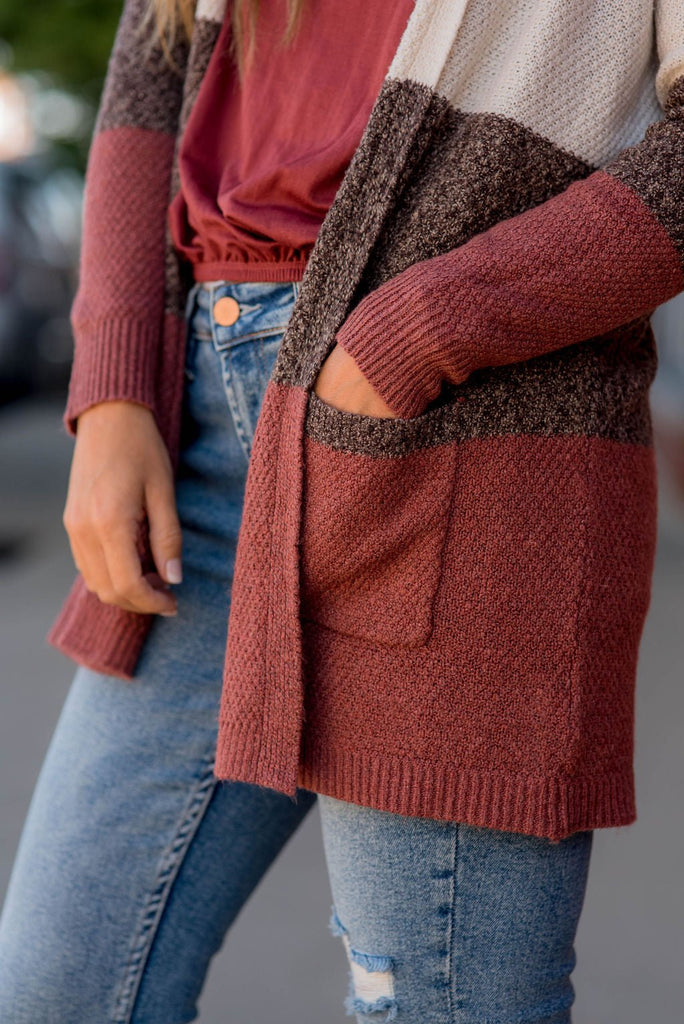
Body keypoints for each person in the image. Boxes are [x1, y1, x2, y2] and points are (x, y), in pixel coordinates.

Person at [1, 0, 682, 1020]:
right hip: (199, 439)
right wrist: (112, 390)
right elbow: (155, 56)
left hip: (462, 431)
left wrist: (414, 335)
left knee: (439, 1002)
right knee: (60, 988)